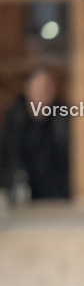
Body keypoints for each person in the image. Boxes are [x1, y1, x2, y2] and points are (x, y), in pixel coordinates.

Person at [0, 67, 70, 201]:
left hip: (57, 194)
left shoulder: (62, 117)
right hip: (21, 191)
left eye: (47, 88)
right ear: (28, 90)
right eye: (39, 88)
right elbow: (8, 156)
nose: (43, 93)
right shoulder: (15, 117)